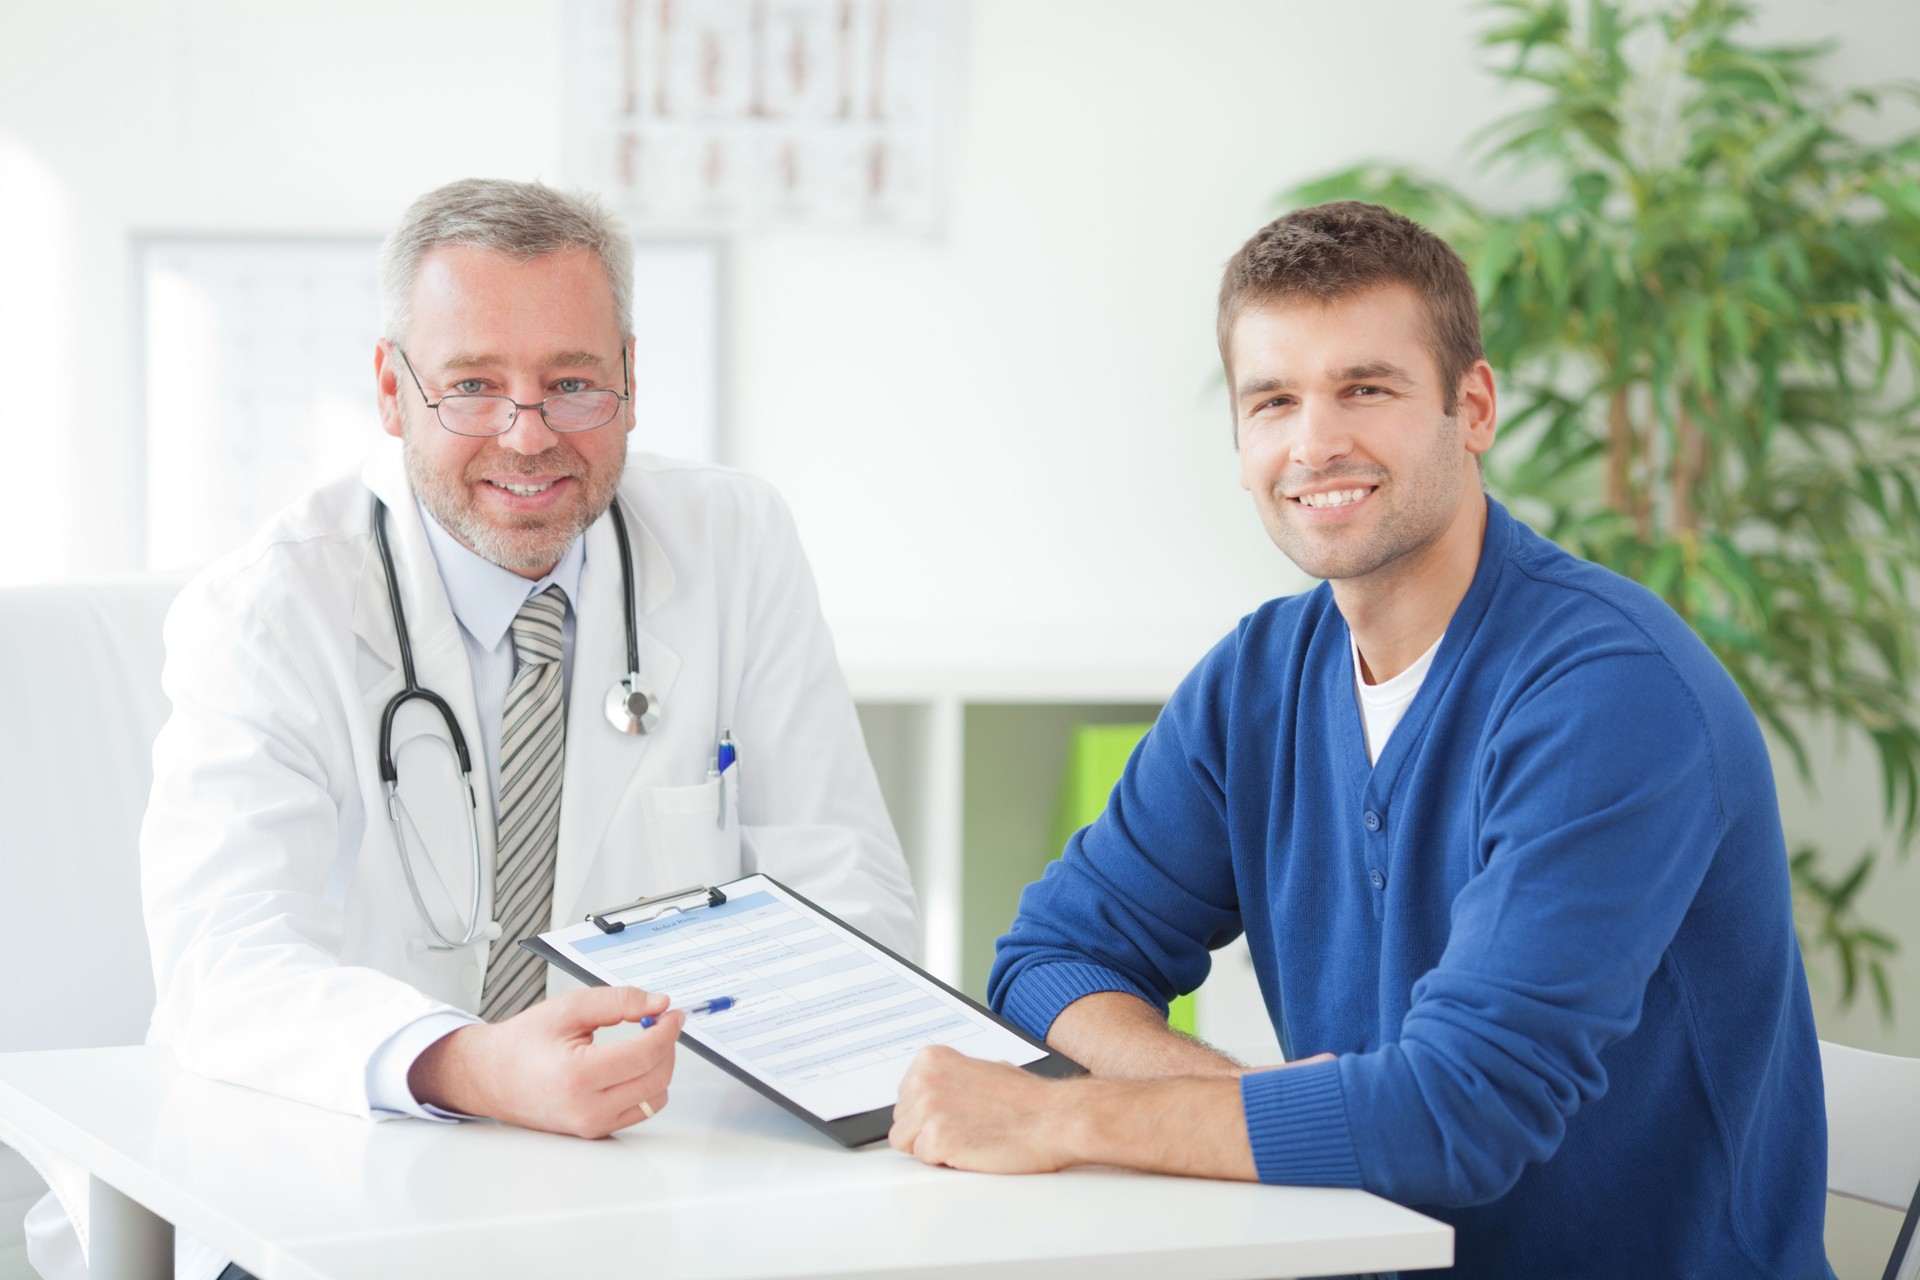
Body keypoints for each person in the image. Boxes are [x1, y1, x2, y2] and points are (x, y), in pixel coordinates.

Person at [887, 201, 1831, 1277]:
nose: (1314, 442)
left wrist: (1061, 1118)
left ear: (1472, 406)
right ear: (1240, 444)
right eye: (1274, 400)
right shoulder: (1260, 679)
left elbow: (1455, 1116)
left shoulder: (1611, 696)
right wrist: (1263, 1107)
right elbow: (1054, 960)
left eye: (1365, 389)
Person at [25, 177, 918, 1280]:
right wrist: (470, 1064)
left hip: (644, 1177)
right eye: (473, 385)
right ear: (393, 390)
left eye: (572, 382)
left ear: (632, 380)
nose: (528, 435)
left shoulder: (736, 541)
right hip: (322, 1169)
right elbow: (228, 963)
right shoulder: (272, 606)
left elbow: (849, 897)